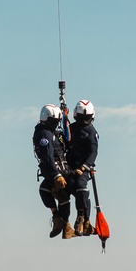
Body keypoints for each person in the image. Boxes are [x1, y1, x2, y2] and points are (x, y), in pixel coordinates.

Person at [33, 103, 73, 239]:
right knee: (54, 193)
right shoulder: (45, 133)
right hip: (58, 171)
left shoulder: (50, 132)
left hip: (59, 171)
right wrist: (56, 175)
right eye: (53, 121)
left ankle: (62, 221)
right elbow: (47, 155)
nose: (55, 124)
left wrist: (65, 118)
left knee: (48, 191)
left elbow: (65, 141)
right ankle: (63, 222)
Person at [66, 98, 99, 236]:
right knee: (69, 188)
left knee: (81, 187)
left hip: (83, 168)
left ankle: (82, 218)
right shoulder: (70, 129)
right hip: (69, 166)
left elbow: (93, 152)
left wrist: (84, 167)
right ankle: (65, 222)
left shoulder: (92, 132)